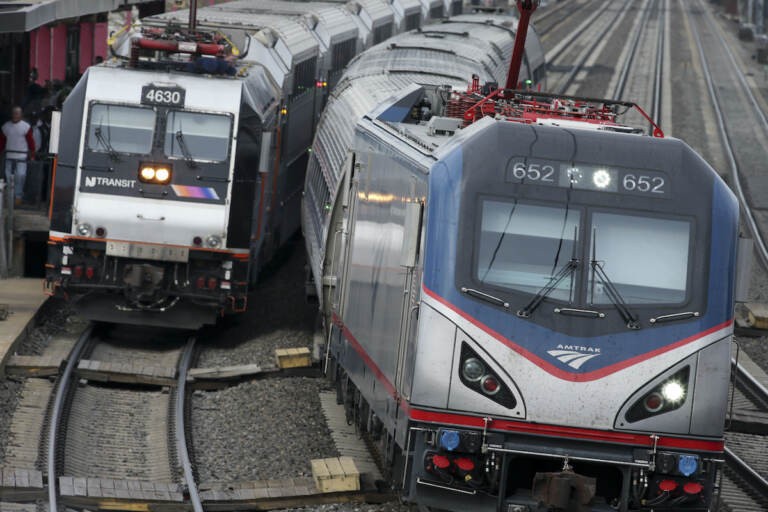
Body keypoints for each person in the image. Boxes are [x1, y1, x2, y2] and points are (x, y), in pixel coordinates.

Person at [0, 106, 35, 204]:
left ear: (21, 115)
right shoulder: (6, 126)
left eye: (17, 113)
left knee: (21, 175)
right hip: (9, 156)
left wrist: (32, 154)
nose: (15, 115)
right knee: (8, 176)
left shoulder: (25, 127)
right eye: (14, 113)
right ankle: (9, 196)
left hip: (21, 156)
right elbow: (2, 142)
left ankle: (18, 196)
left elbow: (31, 141)